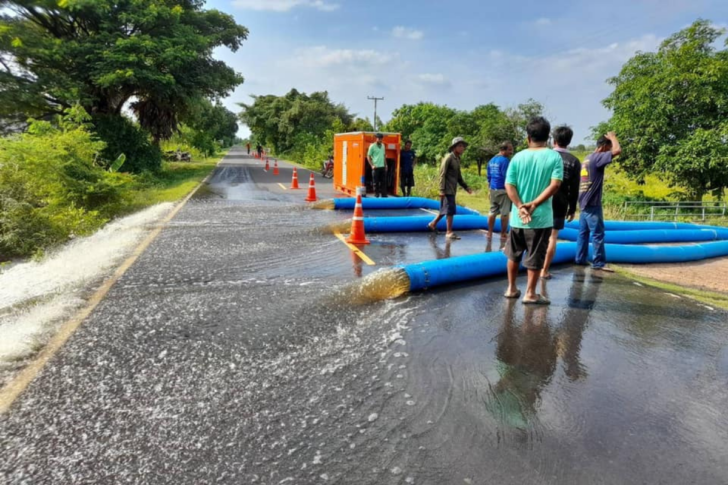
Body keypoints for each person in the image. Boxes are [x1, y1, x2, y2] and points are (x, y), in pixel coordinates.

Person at [503, 117, 563, 305]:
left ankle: (511, 288)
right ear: (548, 137)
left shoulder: (518, 157)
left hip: (518, 218)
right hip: (540, 219)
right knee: (535, 256)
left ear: (528, 137)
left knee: (513, 255)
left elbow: (509, 185)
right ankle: (530, 293)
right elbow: (555, 185)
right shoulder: (554, 157)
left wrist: (520, 206)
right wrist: (534, 204)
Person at [575, 132, 621, 272]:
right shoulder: (598, 157)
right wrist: (613, 137)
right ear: (603, 147)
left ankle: (580, 258)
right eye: (608, 147)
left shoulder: (588, 158)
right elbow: (617, 150)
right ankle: (599, 263)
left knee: (583, 233)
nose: (608, 150)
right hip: (592, 202)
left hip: (583, 201)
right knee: (597, 233)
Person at [541, 126, 581, 279]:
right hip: (560, 202)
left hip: (541, 199)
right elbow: (574, 188)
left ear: (554, 140)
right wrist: (572, 209)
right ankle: (544, 270)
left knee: (537, 235)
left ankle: (532, 267)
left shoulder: (544, 156)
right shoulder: (573, 161)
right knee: (553, 237)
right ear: (569, 142)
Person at [427, 137, 473, 240]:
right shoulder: (448, 158)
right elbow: (442, 174)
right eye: (460, 146)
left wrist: (466, 187)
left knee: (445, 210)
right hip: (447, 189)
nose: (462, 148)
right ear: (454, 148)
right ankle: (449, 232)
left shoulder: (457, 159)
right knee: (450, 211)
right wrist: (441, 190)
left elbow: (458, 176)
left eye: (463, 146)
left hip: (452, 188)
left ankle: (432, 224)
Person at [487, 141, 514, 241]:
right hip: (503, 190)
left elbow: (489, 176)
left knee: (492, 211)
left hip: (493, 189)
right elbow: (506, 176)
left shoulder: (492, 160)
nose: (511, 152)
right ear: (503, 150)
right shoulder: (505, 160)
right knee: (505, 213)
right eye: (509, 150)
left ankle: (489, 232)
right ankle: (503, 234)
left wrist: (489, 190)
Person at [367, 133, 388, 197]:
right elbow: (368, 156)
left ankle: (384, 195)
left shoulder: (383, 146)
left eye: (381, 139)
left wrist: (386, 165)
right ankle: (376, 195)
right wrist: (372, 165)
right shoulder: (372, 146)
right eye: (379, 139)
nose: (380, 140)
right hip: (375, 167)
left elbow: (384, 156)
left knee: (383, 182)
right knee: (375, 182)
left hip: (382, 167)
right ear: (376, 139)